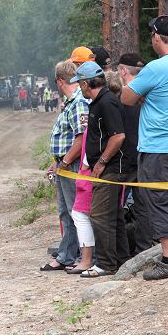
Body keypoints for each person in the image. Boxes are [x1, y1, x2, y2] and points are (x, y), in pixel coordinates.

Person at [121, 15, 168, 280]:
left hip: (159, 145)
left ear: (157, 38)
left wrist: (141, 91)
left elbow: (127, 97)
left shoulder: (155, 69)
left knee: (159, 200)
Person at [70, 61, 130, 278]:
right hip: (107, 167)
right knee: (112, 216)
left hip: (111, 168)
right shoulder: (97, 102)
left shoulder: (107, 102)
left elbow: (118, 136)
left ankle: (105, 263)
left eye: (79, 84)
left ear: (86, 84)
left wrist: (101, 162)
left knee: (99, 214)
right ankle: (122, 260)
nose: (79, 88)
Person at [40, 60, 89, 271]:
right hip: (64, 164)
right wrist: (57, 163)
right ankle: (67, 254)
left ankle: (80, 255)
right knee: (65, 212)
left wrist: (66, 161)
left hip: (72, 164)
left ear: (60, 81)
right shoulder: (71, 101)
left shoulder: (78, 102)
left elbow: (81, 138)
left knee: (74, 211)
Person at [117, 53, 150, 255]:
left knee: (116, 206)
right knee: (144, 206)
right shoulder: (150, 91)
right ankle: (144, 248)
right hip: (146, 153)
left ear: (123, 71)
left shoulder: (123, 95)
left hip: (125, 158)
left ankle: (121, 252)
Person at [67, 128, 95, 274]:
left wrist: (85, 165)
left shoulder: (101, 108)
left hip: (90, 171)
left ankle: (87, 260)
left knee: (81, 214)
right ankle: (88, 259)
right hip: (90, 169)